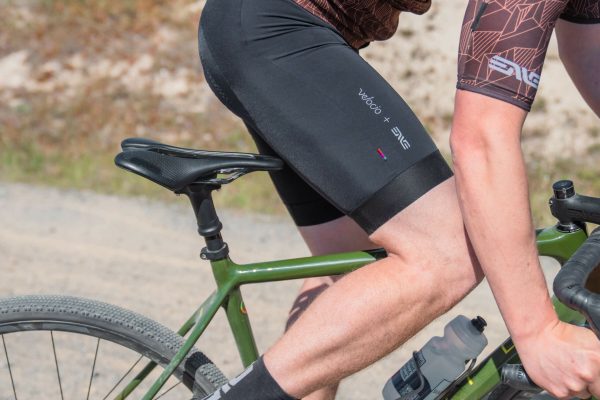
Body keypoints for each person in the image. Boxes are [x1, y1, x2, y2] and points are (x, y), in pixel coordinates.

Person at [196, 0, 600, 399]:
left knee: (350, 261)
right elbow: (480, 141)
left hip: (274, 30)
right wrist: (538, 332)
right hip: (276, 28)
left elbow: (588, 51)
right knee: (449, 249)